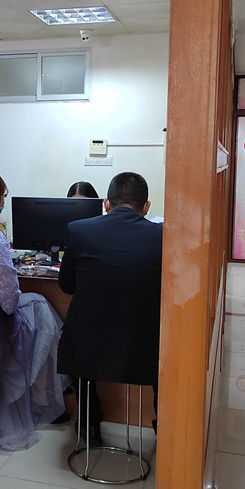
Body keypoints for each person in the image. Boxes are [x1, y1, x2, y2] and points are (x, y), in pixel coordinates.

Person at [57, 171, 162, 447]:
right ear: (146, 206)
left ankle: (89, 422)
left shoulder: (79, 230)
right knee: (163, 351)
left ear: (106, 203)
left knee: (77, 339)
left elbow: (66, 285)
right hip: (144, 351)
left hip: (87, 349)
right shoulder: (162, 235)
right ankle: (163, 427)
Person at [0, 169, 66, 452]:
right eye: (2, 196)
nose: (2, 202)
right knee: (41, 308)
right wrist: (10, 310)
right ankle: (44, 394)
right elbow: (9, 298)